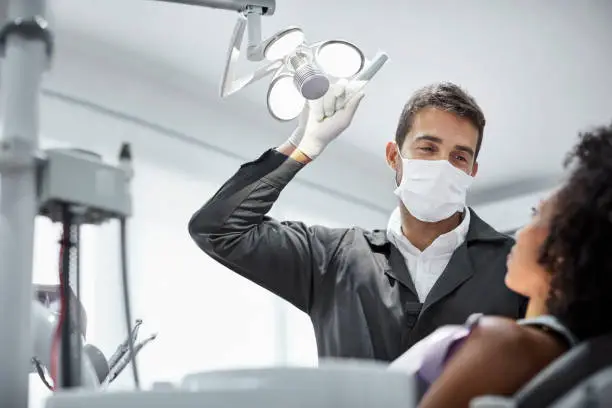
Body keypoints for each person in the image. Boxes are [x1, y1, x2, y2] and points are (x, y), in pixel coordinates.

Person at [188, 80, 527, 362]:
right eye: (427, 148)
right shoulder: (331, 258)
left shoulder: (517, 267)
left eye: (459, 156)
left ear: (472, 172)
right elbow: (218, 230)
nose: (443, 165)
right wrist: (303, 145)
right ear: (394, 156)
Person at [392, 122, 612, 408]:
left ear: (564, 247)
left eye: (537, 214)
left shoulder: (508, 344)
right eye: (428, 149)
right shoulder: (576, 356)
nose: (519, 232)